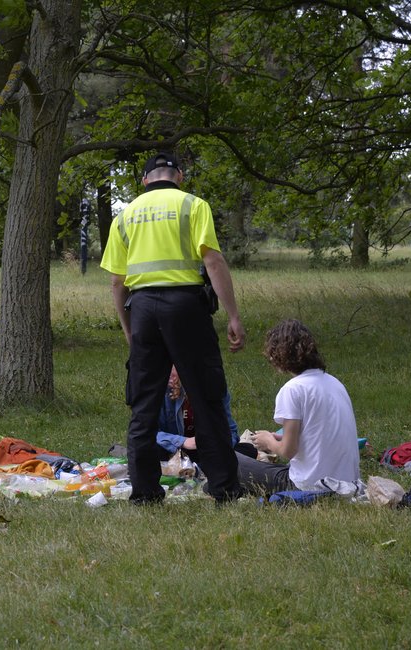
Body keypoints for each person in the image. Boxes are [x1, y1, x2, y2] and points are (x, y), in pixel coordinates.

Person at [101, 151, 246, 504]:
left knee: (144, 403)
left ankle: (145, 492)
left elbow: (118, 283)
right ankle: (224, 487)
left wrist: (129, 329)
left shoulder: (125, 214)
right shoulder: (193, 206)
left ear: (144, 180)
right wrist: (233, 315)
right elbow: (212, 260)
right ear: (179, 175)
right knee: (206, 396)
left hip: (144, 309)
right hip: (187, 307)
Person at [237, 319, 360, 495]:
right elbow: (318, 436)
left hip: (308, 485)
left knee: (226, 458)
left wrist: (269, 442)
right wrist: (279, 438)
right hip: (346, 481)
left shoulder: (292, 389)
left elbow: (288, 451)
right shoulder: (334, 383)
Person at [155, 365, 239, 458]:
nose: (170, 373)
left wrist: (217, 444)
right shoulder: (160, 389)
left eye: (174, 366)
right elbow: (147, 432)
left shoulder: (215, 389)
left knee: (247, 449)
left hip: (206, 451)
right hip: (172, 449)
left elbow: (231, 431)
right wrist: (183, 442)